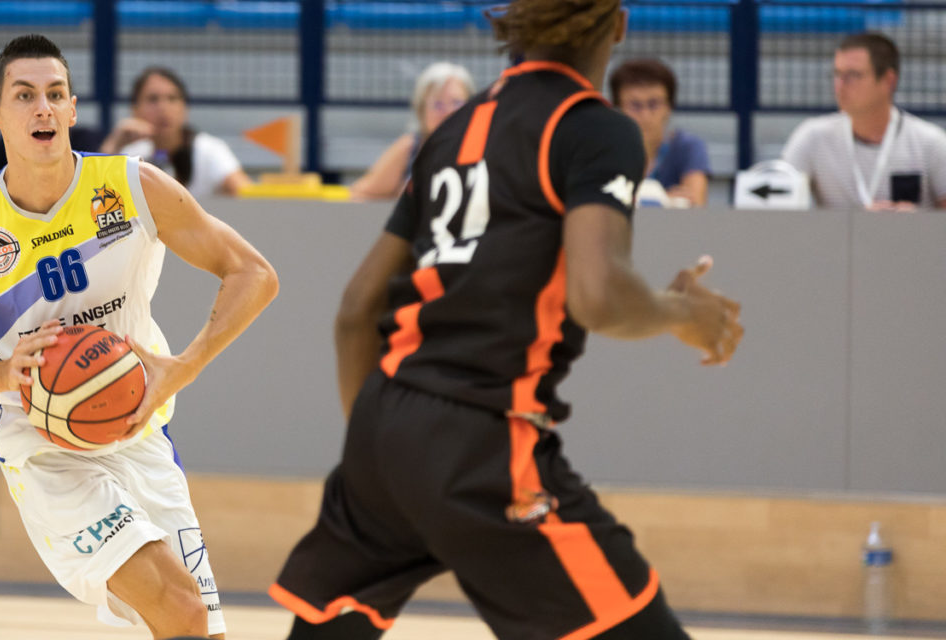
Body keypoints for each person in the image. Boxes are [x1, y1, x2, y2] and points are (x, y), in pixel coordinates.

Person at [270, 1, 743, 638]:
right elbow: (599, 296)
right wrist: (683, 311)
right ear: (618, 23)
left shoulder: (453, 130)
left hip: (381, 428)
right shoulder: (594, 128)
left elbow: (356, 310)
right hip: (483, 438)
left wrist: (384, 452)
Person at [0, 35, 277, 639]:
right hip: (45, 446)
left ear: (72, 108)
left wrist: (184, 366)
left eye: (55, 94)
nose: (43, 108)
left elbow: (255, 274)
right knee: (181, 608)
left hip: (137, 431)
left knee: (197, 630)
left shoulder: (133, 187)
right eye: (25, 96)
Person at [782, 32, 946, 210]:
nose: (840, 84)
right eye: (837, 74)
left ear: (889, 80)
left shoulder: (930, 143)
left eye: (853, 75)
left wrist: (918, 221)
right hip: (838, 230)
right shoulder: (813, 137)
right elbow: (779, 204)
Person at [99, 67, 252, 197]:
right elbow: (97, 196)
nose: (163, 108)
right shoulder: (132, 155)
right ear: (135, 109)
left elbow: (245, 193)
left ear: (185, 108)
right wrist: (114, 143)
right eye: (153, 99)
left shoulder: (209, 150)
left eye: (172, 99)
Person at [349, 61, 476, 201]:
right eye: (437, 104)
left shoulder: (485, 148)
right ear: (421, 110)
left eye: (457, 103)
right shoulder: (409, 149)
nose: (447, 112)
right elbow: (357, 196)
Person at [609, 58, 711, 208]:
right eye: (635, 105)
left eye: (653, 104)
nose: (645, 115)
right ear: (618, 108)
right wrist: (664, 200)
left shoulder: (688, 147)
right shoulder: (605, 151)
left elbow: (696, 204)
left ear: (669, 107)